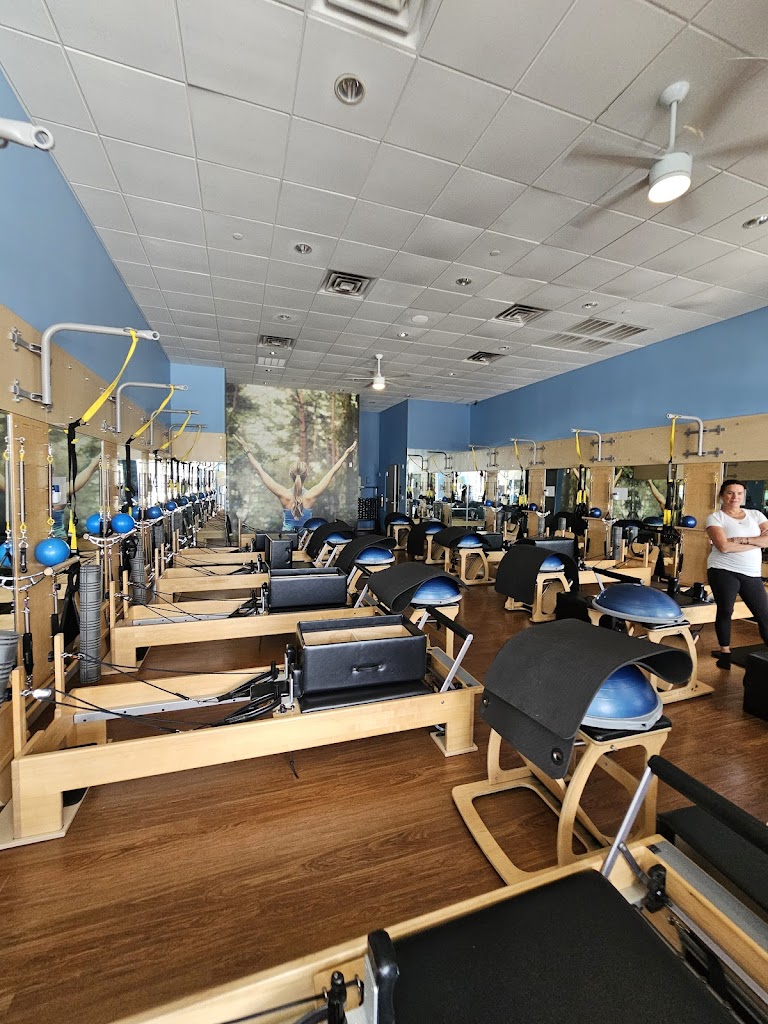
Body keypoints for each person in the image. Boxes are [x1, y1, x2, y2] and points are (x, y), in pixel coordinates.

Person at [232, 435, 357, 531]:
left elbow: (260, 471)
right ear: (306, 475)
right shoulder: (311, 495)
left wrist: (247, 450)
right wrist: (345, 454)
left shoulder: (284, 495)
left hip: (286, 541)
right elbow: (331, 473)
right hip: (305, 543)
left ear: (290, 475)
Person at [706, 479, 768, 668]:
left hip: (751, 573)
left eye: (739, 493)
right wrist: (756, 542)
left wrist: (741, 540)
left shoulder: (756, 515)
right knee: (726, 610)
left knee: (764, 613)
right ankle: (725, 653)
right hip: (723, 570)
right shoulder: (715, 518)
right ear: (722, 495)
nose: (735, 497)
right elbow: (723, 547)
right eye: (730, 493)